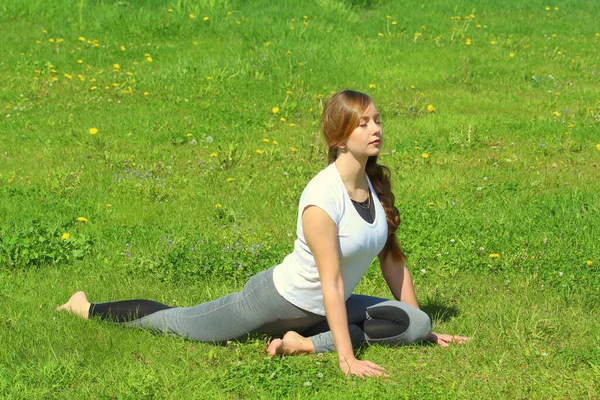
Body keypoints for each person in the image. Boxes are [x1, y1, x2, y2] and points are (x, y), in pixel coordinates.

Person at [57, 89, 469, 378]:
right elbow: (330, 281)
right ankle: (85, 307)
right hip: (278, 302)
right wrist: (346, 358)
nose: (376, 128)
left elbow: (393, 261)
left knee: (411, 326)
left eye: (377, 120)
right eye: (363, 124)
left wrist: (424, 326)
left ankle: (304, 344)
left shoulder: (373, 185)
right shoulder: (322, 197)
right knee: (179, 322)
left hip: (331, 306)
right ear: (339, 138)